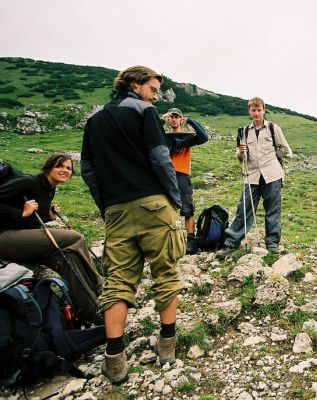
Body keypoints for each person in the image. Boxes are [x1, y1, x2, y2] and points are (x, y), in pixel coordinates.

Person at [81, 65, 186, 384]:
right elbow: (159, 157)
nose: (155, 96)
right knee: (165, 273)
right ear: (135, 84)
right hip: (154, 204)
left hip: (117, 211)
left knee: (117, 282)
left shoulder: (94, 121)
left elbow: (88, 170)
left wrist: (107, 206)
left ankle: (114, 358)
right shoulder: (145, 112)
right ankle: (167, 344)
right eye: (153, 89)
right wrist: (174, 199)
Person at [0, 153, 104, 324]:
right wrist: (21, 213)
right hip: (4, 237)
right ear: (48, 168)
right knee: (75, 238)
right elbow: (20, 213)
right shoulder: (29, 181)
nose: (65, 170)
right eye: (59, 166)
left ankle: (93, 311)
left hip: (20, 238)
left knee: (68, 259)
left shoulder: (49, 189)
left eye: (68, 168)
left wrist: (48, 216)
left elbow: (31, 219)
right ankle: (100, 283)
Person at [216, 97, 292, 258]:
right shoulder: (244, 131)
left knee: (273, 210)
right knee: (244, 210)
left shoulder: (272, 128)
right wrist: (241, 152)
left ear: (263, 110)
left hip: (272, 175)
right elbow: (239, 155)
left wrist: (273, 158)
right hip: (251, 175)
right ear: (249, 111)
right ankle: (231, 243)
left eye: (259, 110)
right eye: (253, 110)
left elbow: (285, 149)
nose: (256, 113)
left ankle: (272, 244)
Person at [162, 107, 209, 254]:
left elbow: (204, 137)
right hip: (166, 174)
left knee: (187, 207)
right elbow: (147, 137)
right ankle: (168, 239)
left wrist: (190, 121)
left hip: (182, 173)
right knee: (165, 207)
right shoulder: (163, 136)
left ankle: (191, 241)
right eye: (172, 117)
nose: (174, 119)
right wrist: (161, 121)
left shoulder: (187, 137)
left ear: (180, 119)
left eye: (177, 117)